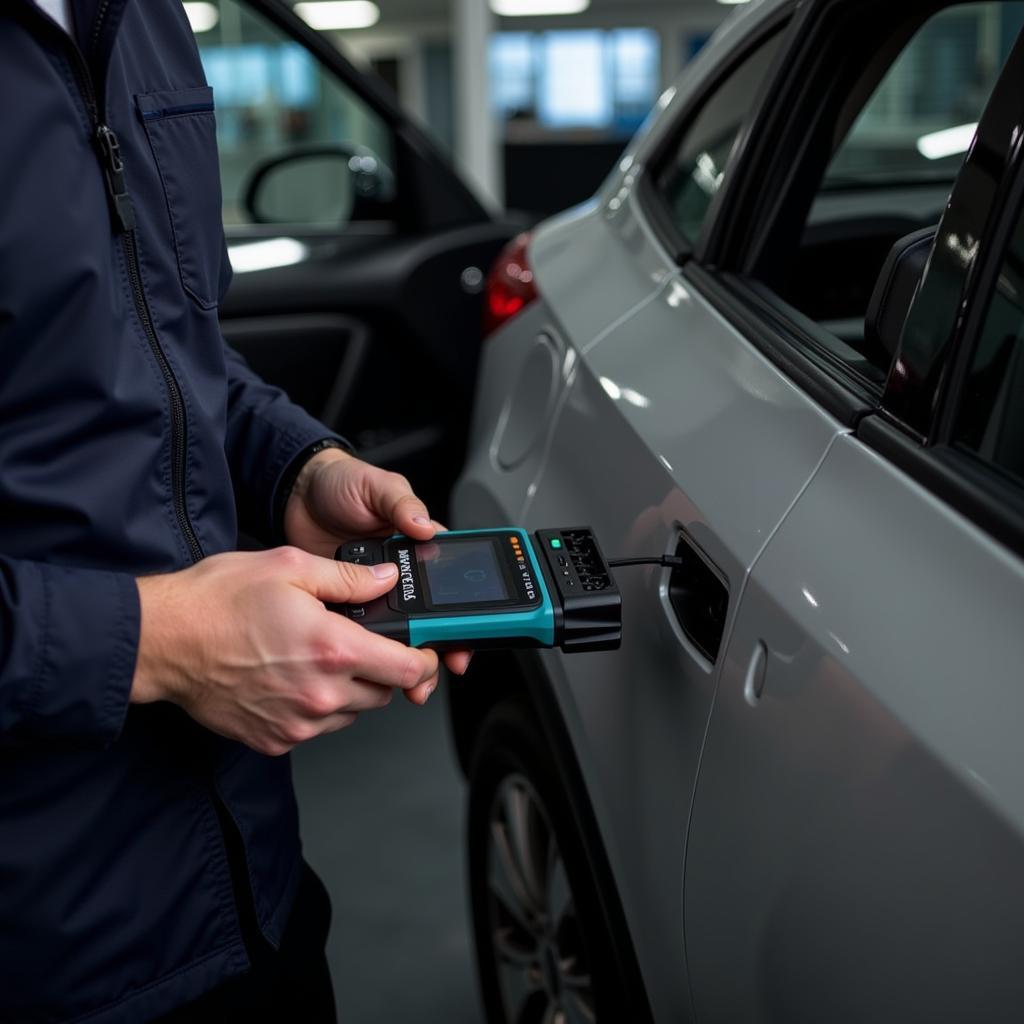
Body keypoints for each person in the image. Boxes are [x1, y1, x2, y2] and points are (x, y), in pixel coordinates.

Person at [0, 2, 468, 1020]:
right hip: (41, 950)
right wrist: (156, 644)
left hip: (246, 884)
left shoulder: (143, 18)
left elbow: (170, 353)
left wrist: (296, 466)